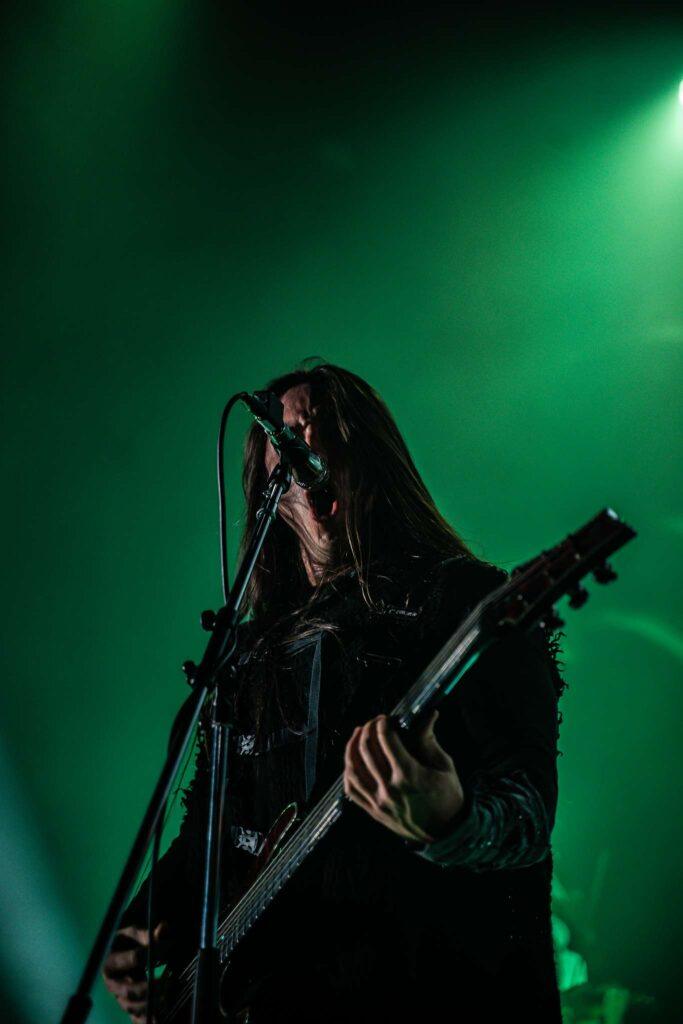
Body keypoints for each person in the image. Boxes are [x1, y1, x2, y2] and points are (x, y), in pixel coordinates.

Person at [102, 362, 566, 1022]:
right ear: (266, 488)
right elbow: (214, 826)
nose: (309, 445)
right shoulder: (252, 652)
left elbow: (527, 814)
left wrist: (451, 820)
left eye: (327, 428)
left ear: (373, 458)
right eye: (288, 436)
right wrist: (144, 921)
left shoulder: (464, 603)